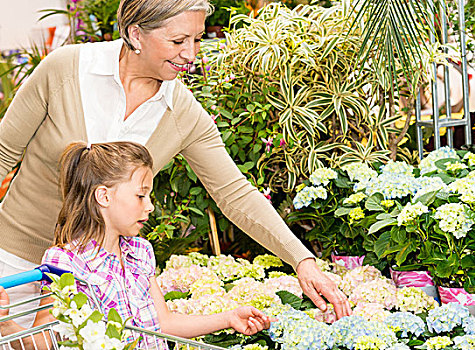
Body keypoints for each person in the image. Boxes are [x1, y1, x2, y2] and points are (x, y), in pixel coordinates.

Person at [0, 0, 350, 325]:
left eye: (197, 39)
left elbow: (234, 193)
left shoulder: (182, 112)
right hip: (12, 262)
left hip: (95, 284)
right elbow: (3, 154)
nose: (191, 54)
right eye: (178, 40)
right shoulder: (66, 70)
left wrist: (301, 260)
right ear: (136, 34)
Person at [0, 141, 271, 349]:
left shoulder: (140, 253)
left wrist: (228, 318)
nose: (150, 206)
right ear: (104, 196)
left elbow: (162, 323)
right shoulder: (65, 262)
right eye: (141, 196)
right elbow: (44, 341)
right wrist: (6, 322)